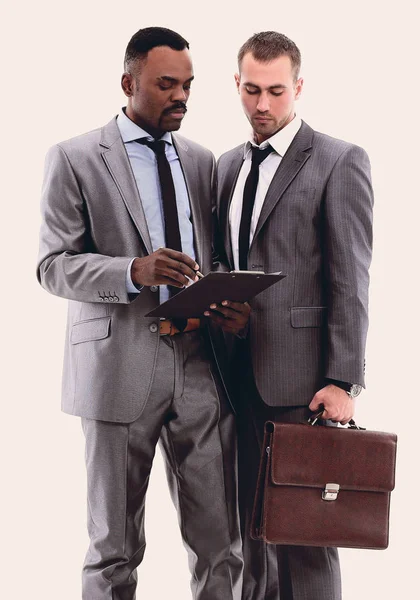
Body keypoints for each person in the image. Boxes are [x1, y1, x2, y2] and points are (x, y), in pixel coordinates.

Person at [37, 26, 249, 600]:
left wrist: (227, 300)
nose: (181, 96)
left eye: (187, 85)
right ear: (128, 82)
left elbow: (213, 256)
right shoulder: (76, 157)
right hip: (116, 370)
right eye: (165, 84)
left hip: (200, 368)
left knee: (220, 543)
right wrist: (133, 271)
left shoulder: (203, 161)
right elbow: (52, 266)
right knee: (114, 551)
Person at [210, 31, 373, 600]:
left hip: (303, 384)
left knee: (305, 539)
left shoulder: (338, 160)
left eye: (276, 91)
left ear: (298, 88)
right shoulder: (227, 166)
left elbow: (350, 279)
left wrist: (342, 379)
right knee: (251, 532)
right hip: (233, 377)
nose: (262, 104)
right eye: (251, 90)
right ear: (236, 84)